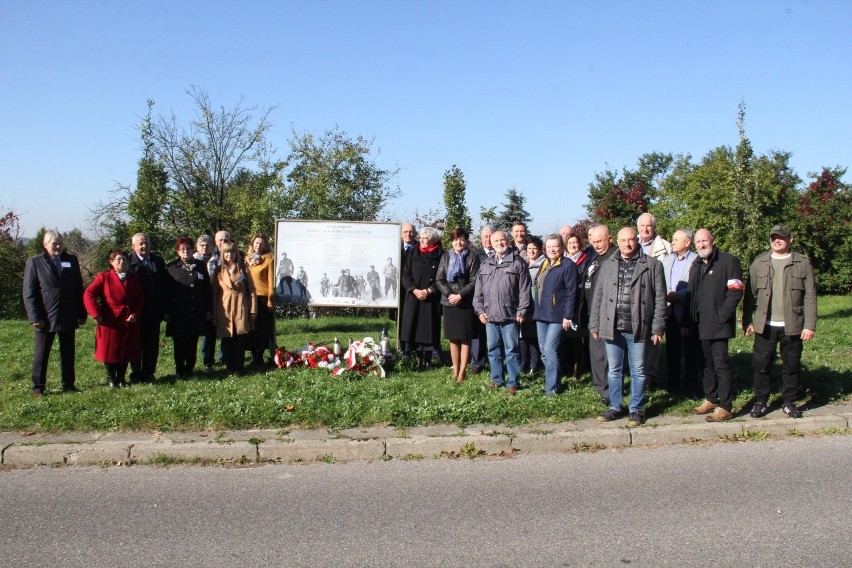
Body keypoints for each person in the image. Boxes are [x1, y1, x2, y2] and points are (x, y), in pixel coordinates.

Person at [589, 227, 666, 427]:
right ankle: (615, 407)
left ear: (637, 240)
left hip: (639, 328)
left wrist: (658, 328)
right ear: (618, 241)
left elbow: (660, 299)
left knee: (638, 370)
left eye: (631, 240)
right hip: (612, 326)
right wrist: (595, 324)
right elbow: (598, 297)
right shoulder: (607, 264)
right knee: (614, 370)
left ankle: (636, 410)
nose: (627, 244)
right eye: (623, 240)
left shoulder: (652, 265)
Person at [742, 224, 817, 419]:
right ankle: (760, 401)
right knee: (761, 365)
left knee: (791, 366)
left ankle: (789, 402)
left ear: (790, 240)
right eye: (773, 237)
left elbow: (810, 296)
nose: (777, 240)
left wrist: (809, 325)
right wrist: (747, 320)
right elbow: (749, 296)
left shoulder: (802, 263)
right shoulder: (759, 262)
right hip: (764, 325)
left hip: (792, 325)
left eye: (781, 237)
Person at [22, 230, 86, 396]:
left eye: (60, 243)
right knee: (41, 354)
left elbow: (78, 288)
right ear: (45, 244)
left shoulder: (71, 260)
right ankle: (38, 387)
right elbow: (29, 293)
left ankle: (69, 384)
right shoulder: (35, 262)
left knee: (68, 352)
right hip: (46, 317)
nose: (58, 247)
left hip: (68, 315)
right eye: (54, 244)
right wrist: (35, 317)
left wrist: (81, 312)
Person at [689, 229, 744, 422]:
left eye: (705, 241)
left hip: (719, 323)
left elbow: (736, 291)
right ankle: (711, 399)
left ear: (712, 241)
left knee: (721, 364)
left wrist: (723, 315)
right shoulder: (695, 265)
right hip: (700, 324)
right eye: (698, 242)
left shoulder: (729, 261)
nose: (702, 245)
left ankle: (725, 406)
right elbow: (692, 295)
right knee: (706, 364)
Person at [472, 230, 531, 394]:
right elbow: (478, 293)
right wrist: (479, 311)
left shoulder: (518, 263)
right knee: (493, 349)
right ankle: (497, 380)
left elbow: (524, 290)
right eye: (495, 241)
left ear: (508, 241)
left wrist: (522, 311)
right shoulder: (485, 264)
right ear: (491, 243)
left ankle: (513, 382)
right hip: (489, 316)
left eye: (502, 240)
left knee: (511, 350)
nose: (499, 243)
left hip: (510, 315)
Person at [84, 249, 144, 387]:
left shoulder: (133, 277)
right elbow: (89, 294)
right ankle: (111, 378)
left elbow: (140, 298)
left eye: (124, 259)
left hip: (128, 319)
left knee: (125, 349)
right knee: (110, 350)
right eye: (118, 260)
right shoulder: (104, 277)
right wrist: (95, 313)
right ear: (111, 262)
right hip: (110, 319)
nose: (122, 262)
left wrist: (135, 314)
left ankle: (121, 378)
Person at [533, 234, 577, 396]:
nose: (552, 249)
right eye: (549, 246)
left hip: (557, 316)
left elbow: (572, 292)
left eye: (555, 246)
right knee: (544, 352)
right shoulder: (545, 263)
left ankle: (551, 389)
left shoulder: (568, 266)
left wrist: (568, 315)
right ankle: (554, 382)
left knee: (550, 350)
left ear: (562, 248)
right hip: (541, 315)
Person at [436, 228, 480, 383]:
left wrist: (460, 295)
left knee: (465, 338)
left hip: (466, 302)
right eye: (455, 239)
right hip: (449, 302)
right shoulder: (446, 257)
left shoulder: (473, 257)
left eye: (461, 239)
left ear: (466, 241)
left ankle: (462, 371)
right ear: (452, 241)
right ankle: (455, 369)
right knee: (453, 338)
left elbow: (475, 280)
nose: (458, 242)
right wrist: (450, 295)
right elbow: (440, 279)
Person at [163, 237, 211, 379]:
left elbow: (207, 289)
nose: (186, 251)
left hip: (196, 312)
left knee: (192, 343)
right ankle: (179, 370)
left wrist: (208, 309)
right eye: (182, 249)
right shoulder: (172, 267)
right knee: (179, 343)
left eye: (188, 248)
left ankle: (189, 369)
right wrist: (167, 312)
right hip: (179, 313)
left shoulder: (201, 266)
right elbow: (166, 292)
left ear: (192, 250)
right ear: (178, 251)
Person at [578, 224, 616, 404]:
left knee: (606, 354)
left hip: (606, 314)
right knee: (596, 353)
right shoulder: (595, 257)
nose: (596, 244)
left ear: (610, 238)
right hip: (592, 312)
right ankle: (600, 386)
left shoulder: (615, 257)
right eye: (594, 241)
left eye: (600, 241)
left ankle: (608, 391)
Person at [661, 229, 699, 395]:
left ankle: (691, 387)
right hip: (670, 313)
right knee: (672, 351)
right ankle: (673, 386)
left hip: (688, 312)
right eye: (673, 239)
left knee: (691, 352)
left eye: (676, 239)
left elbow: (696, 287)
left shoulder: (696, 261)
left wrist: (679, 296)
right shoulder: (667, 260)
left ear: (687, 243)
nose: (673, 242)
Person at [125, 233, 167, 384]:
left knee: (152, 344)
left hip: (154, 310)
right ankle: (136, 373)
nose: (144, 246)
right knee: (137, 343)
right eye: (141, 244)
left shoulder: (158, 261)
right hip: (137, 312)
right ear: (133, 246)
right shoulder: (128, 262)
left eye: (147, 243)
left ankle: (149, 372)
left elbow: (164, 285)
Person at [400, 227, 444, 369]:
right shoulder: (414, 252)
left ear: (433, 241)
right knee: (416, 329)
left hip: (431, 298)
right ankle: (418, 360)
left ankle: (428, 361)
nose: (424, 241)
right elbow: (406, 274)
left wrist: (430, 290)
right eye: (422, 238)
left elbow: (442, 277)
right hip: (414, 297)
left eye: (427, 239)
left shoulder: (441, 254)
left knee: (429, 329)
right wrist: (414, 290)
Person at [212, 241, 257, 374]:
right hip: (224, 307)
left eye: (232, 252)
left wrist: (253, 310)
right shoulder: (218, 270)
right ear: (222, 254)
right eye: (226, 252)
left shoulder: (243, 268)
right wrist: (214, 314)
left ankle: (239, 366)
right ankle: (230, 366)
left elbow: (252, 291)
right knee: (226, 339)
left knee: (240, 338)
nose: (229, 255)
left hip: (241, 305)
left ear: (236, 253)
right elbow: (214, 293)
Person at [246, 233, 276, 367]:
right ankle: (254, 357)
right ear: (252, 244)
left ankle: (260, 357)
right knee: (251, 329)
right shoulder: (246, 260)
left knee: (262, 330)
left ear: (265, 245)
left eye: (261, 243)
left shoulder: (269, 259)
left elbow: (271, 282)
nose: (258, 246)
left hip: (262, 299)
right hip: (248, 298)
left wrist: (270, 301)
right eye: (256, 243)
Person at [561, 233, 588, 379]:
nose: (572, 245)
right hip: (563, 303)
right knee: (565, 337)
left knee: (576, 338)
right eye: (570, 243)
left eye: (575, 243)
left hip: (578, 303)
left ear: (580, 244)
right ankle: (566, 366)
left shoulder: (586, 260)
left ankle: (577, 368)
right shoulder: (563, 260)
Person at [470, 225, 495, 374]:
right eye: (485, 237)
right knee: (478, 334)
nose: (487, 239)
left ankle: (494, 363)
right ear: (481, 238)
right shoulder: (475, 255)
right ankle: (477, 363)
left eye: (490, 236)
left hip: (495, 300)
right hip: (479, 299)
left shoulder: (501, 253)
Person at [520, 236, 544, 376]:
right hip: (523, 304)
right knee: (522, 335)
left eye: (534, 248)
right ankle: (523, 362)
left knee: (533, 335)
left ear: (540, 250)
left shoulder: (543, 264)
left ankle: (534, 364)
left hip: (536, 304)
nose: (532, 251)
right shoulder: (522, 263)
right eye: (529, 248)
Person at [194, 233, 219, 369]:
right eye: (202, 245)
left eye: (207, 245)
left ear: (212, 246)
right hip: (197, 299)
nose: (204, 247)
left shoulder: (217, 260)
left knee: (211, 332)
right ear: (197, 247)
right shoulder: (192, 261)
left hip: (212, 299)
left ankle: (209, 360)